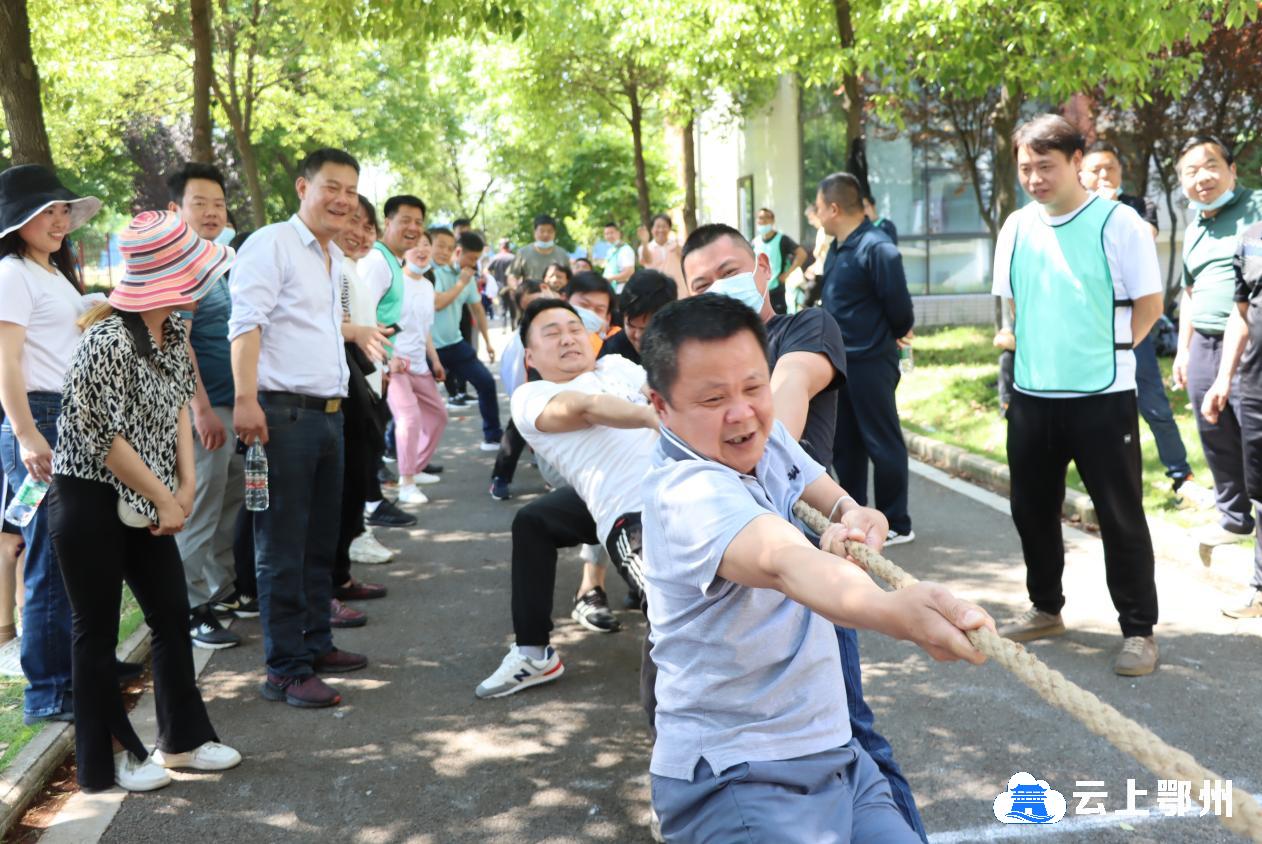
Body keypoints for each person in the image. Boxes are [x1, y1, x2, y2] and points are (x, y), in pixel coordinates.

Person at [636, 294, 992, 842]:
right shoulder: (684, 491)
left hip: (837, 756)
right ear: (660, 406)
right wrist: (897, 611)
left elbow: (829, 498)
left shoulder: (766, 439)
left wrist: (855, 515)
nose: (742, 413)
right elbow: (787, 562)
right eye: (713, 399)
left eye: (754, 387)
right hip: (742, 776)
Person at [680, 223, 927, 838]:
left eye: (730, 269)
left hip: (809, 555)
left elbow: (786, 394)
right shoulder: (687, 408)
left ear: (762, 269)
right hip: (727, 555)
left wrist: (843, 510)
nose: (741, 407)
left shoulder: (803, 327)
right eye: (702, 283)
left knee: (848, 726)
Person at [48, 210, 241, 792]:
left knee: (171, 615)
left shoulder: (174, 331)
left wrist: (183, 490)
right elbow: (100, 438)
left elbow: (182, 410)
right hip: (89, 499)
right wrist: (165, 495)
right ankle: (111, 759)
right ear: (174, 278)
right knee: (96, 631)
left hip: (153, 495)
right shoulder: (105, 339)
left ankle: (182, 741)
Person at [991, 115, 1163, 677]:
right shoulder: (1015, 227)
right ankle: (1046, 608)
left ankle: (1139, 630)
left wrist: (1107, 353)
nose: (1035, 178)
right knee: (1031, 510)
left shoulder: (1121, 223)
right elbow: (1012, 310)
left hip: (1102, 396)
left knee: (1120, 515)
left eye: (1046, 165)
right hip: (1033, 396)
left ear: (1074, 160)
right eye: (1025, 167)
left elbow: (1149, 306)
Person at [229, 148, 371, 710]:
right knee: (281, 548)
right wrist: (245, 400)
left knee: (318, 543)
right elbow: (247, 323)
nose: (341, 200)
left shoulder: (330, 255)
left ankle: (315, 645)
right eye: (331, 187)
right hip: (280, 417)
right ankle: (284, 668)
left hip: (326, 417)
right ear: (302, 187)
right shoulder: (272, 243)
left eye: (351, 192)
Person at [475, 299, 658, 699]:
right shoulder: (532, 395)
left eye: (574, 328)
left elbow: (662, 386)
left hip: (689, 483)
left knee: (533, 521)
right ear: (530, 355)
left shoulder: (617, 366)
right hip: (634, 511)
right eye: (552, 332)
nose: (568, 338)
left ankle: (533, 653)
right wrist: (649, 415)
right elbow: (585, 408)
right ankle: (533, 655)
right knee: (674, 605)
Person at [0, 163, 100, 726]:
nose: (60, 220)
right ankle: (49, 691)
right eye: (48, 211)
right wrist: (27, 433)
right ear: (19, 221)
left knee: (77, 554)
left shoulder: (50, 272)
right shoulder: (12, 274)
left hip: (71, 419)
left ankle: (82, 669)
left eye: (64, 210)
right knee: (48, 557)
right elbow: (5, 362)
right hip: (40, 422)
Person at [1176, 136, 1262, 617]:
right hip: (1209, 337)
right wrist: (1184, 348)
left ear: (1231, 169)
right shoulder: (1195, 226)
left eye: (1210, 166)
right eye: (1190, 171)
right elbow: (1189, 288)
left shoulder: (1256, 212)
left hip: (1251, 337)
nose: (1202, 177)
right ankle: (1233, 516)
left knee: (1255, 442)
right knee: (1214, 429)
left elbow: (1246, 300)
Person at [163, 162, 246, 650]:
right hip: (203, 411)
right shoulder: (178, 265)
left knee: (230, 502)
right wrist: (201, 409)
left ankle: (219, 591)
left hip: (236, 405)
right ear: (176, 210)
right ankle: (189, 609)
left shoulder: (224, 260)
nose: (212, 211)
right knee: (197, 510)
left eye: (218, 203)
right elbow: (178, 342)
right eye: (200, 203)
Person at [1079, 143, 1193, 491]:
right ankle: (1097, 475)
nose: (1103, 175)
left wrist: (1110, 207)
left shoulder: (1139, 206)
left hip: (1134, 323)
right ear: (1080, 174)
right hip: (1086, 326)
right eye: (1095, 169)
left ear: (1120, 172)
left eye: (1110, 168)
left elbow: (1146, 238)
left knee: (1151, 398)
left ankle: (1179, 473)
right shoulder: (1072, 212)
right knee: (1088, 406)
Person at [816, 172, 916, 544]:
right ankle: (857, 517)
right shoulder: (840, 247)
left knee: (881, 441)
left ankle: (896, 522)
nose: (816, 213)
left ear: (835, 208)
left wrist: (883, 339)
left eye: (818, 206)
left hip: (872, 359)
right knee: (846, 445)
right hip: (841, 364)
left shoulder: (877, 247)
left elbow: (900, 310)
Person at [326, 196, 392, 631]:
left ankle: (341, 577)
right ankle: (327, 590)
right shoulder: (332, 265)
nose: (362, 233)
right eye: (354, 222)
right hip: (343, 393)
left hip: (364, 388)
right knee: (340, 495)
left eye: (369, 226)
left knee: (354, 491)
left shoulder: (350, 266)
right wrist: (360, 332)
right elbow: (334, 324)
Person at [389, 233, 449, 505]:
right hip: (395, 364)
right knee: (409, 419)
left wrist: (434, 360)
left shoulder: (427, 285)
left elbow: (424, 329)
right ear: (404, 250)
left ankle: (415, 465)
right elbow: (379, 322)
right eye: (416, 245)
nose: (422, 249)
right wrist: (387, 358)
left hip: (420, 364)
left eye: (427, 244)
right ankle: (406, 482)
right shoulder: (393, 282)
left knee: (438, 415)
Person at [433, 230, 501, 450]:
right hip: (428, 347)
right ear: (459, 251)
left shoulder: (467, 276)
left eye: (477, 260)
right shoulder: (432, 272)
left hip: (455, 343)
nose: (473, 264)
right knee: (416, 400)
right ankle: (392, 448)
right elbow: (438, 303)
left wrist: (488, 342)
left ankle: (493, 437)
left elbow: (478, 309)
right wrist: (461, 283)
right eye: (471, 259)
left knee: (486, 383)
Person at [490, 281, 555, 500]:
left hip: (557, 391)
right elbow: (512, 374)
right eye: (530, 307)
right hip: (530, 394)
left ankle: (553, 477)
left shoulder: (561, 321)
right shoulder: (521, 338)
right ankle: (500, 477)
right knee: (516, 432)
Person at [598, 269, 678, 365]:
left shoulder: (685, 346)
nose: (638, 336)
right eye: (631, 326)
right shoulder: (612, 352)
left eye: (646, 329)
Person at [753, 207, 809, 315]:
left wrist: (787, 274)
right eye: (760, 218)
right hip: (759, 294)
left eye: (766, 218)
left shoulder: (782, 239)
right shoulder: (755, 242)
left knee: (778, 326)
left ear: (772, 221)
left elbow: (802, 254)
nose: (763, 221)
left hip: (776, 292)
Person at [510, 215, 570, 285]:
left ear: (554, 232)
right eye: (542, 231)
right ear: (534, 232)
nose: (545, 234)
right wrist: (517, 290)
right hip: (531, 293)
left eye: (550, 231)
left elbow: (569, 278)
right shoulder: (522, 252)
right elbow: (512, 276)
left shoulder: (562, 254)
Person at [636, 214, 684, 297]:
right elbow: (647, 260)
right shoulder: (645, 248)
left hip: (679, 292)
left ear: (669, 228)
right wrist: (644, 243)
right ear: (652, 229)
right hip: (656, 293)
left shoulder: (677, 244)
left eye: (664, 226)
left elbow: (685, 257)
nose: (661, 230)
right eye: (657, 226)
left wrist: (677, 246)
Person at [487, 238, 517, 327]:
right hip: (512, 286)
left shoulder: (495, 258)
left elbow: (487, 270)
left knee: (502, 305)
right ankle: (513, 325)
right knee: (512, 306)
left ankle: (503, 326)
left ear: (500, 247)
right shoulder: (513, 257)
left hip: (499, 286)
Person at [601, 222, 637, 292]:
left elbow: (629, 272)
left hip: (621, 291)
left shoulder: (625, 250)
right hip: (611, 290)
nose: (609, 236)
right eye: (606, 234)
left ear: (618, 233)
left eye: (611, 233)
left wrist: (609, 279)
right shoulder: (611, 250)